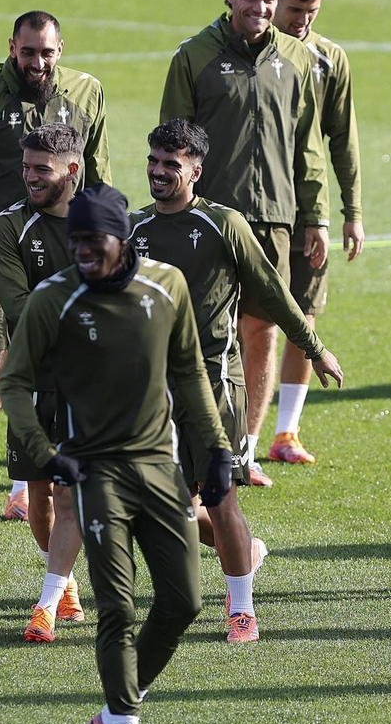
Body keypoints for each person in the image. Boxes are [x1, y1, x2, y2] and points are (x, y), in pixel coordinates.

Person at [0, 184, 230, 724]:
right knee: (119, 608)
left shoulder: (167, 286)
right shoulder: (53, 300)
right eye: (74, 241)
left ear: (122, 238)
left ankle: (111, 714)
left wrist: (217, 449)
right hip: (94, 469)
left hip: (160, 466)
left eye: (93, 241)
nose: (82, 253)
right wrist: (45, 454)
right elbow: (14, 383)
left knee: (183, 603)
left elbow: (189, 373)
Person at [128, 119, 344, 642]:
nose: (159, 172)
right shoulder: (132, 229)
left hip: (213, 383)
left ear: (196, 171)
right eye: (154, 161)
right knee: (168, 505)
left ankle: (241, 609)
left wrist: (314, 350)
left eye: (171, 165)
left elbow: (272, 290)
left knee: (220, 495)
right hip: (153, 390)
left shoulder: (224, 224)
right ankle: (247, 554)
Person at [160, 0, 323, 486]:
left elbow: (309, 146)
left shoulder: (297, 60)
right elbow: (171, 140)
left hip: (275, 216)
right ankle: (188, 441)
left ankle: (245, 451)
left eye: (268, 0)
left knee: (263, 330)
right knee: (201, 333)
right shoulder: (194, 56)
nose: (259, 7)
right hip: (207, 218)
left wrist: (317, 216)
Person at [0, 10, 110, 508]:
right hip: (0, 255)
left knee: (49, 370)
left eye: (47, 52)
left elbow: (98, 178)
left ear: (61, 50)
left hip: (66, 255)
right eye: (28, 51)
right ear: (12, 46)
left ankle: (22, 486)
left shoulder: (86, 94)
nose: (37, 62)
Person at [0, 123, 86, 635]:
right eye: (26, 167)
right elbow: (19, 308)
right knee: (40, 497)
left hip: (86, 386)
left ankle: (45, 604)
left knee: (68, 495)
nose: (29, 177)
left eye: (41, 169)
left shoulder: (106, 219)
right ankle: (63, 582)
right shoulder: (7, 226)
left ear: (72, 169)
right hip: (31, 382)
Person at [265, 0, 362, 467]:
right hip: (258, 206)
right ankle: (238, 440)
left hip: (310, 210)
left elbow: (343, 139)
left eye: (313, 11)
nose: (303, 20)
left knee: (304, 313)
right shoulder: (255, 54)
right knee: (247, 319)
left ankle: (286, 433)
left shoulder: (330, 59)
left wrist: (353, 212)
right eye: (295, 8)